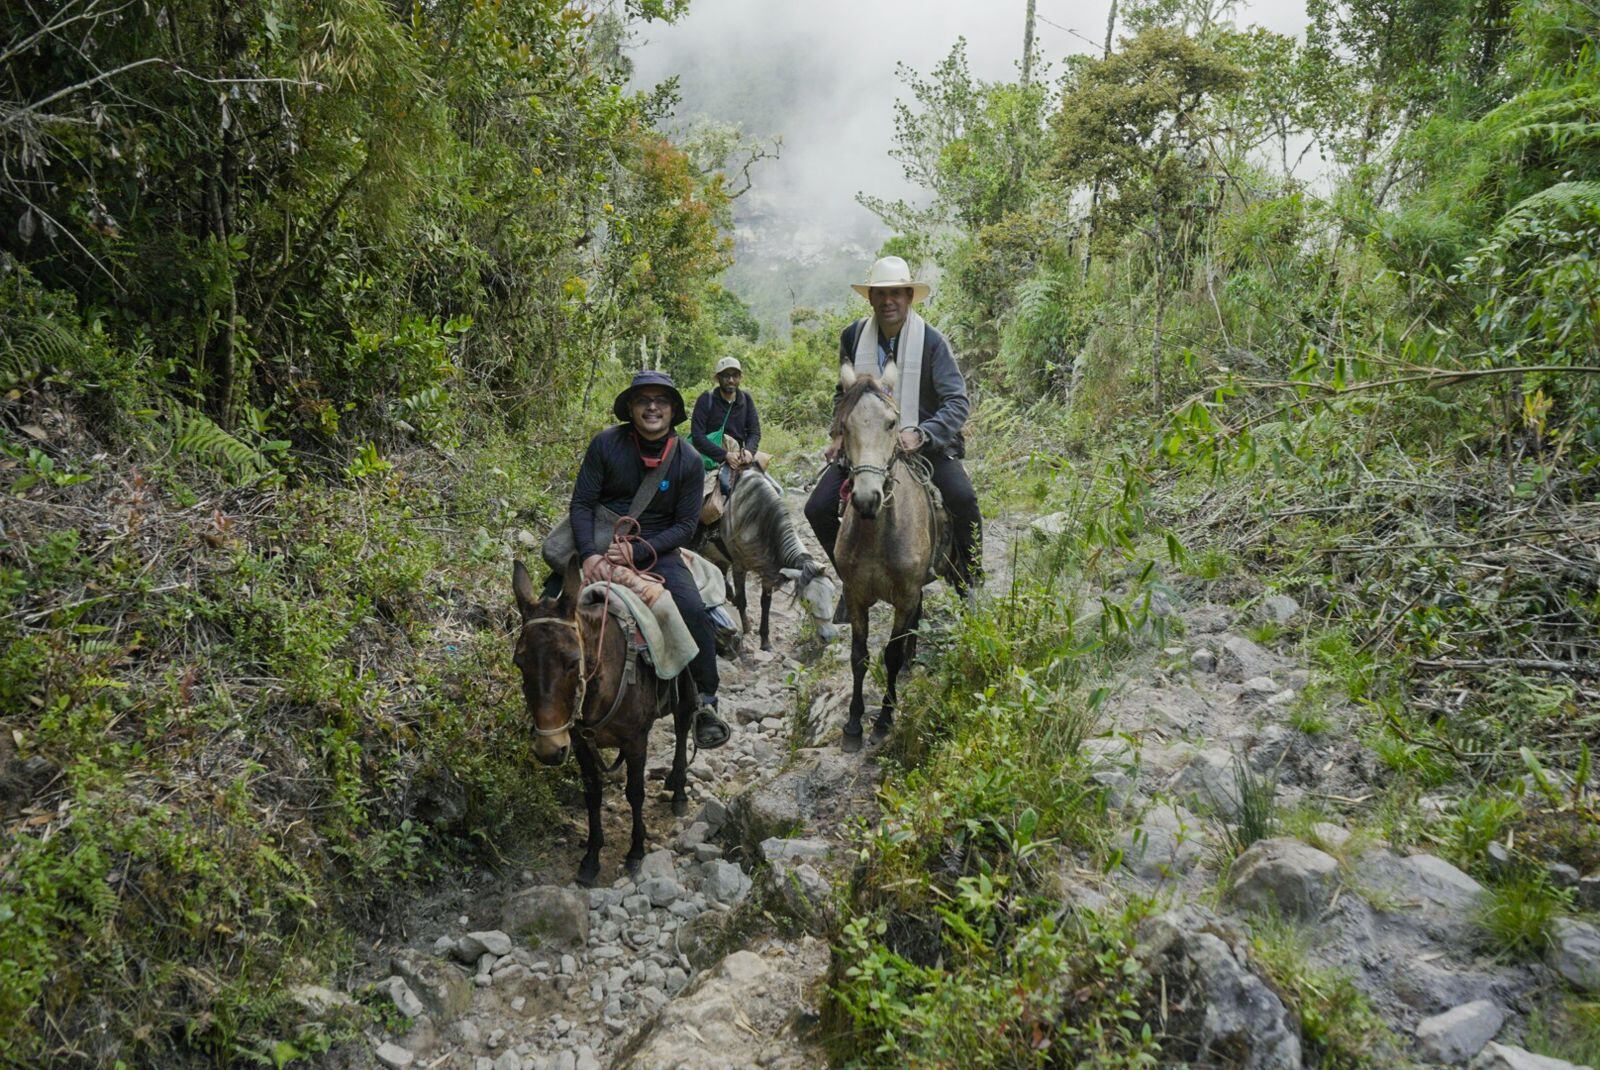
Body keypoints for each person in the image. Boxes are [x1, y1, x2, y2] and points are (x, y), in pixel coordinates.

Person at [545, 370, 732, 749]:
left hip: (656, 550)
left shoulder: (689, 461)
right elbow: (581, 504)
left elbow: (684, 526)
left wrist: (640, 550)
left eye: (660, 401)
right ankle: (546, 701)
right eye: (643, 399)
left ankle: (704, 702)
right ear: (630, 408)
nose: (652, 407)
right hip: (598, 540)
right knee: (548, 613)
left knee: (692, 610)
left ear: (672, 410)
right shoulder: (605, 445)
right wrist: (591, 554)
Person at [803, 255, 982, 596]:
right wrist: (839, 432)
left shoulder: (931, 341)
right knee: (817, 508)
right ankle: (851, 579)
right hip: (867, 443)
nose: (889, 301)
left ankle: (968, 576)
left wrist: (923, 433)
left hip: (923, 445)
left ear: (909, 297)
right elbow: (843, 394)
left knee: (963, 498)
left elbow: (957, 401)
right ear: (870, 298)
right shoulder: (853, 336)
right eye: (881, 294)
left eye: (897, 293)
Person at [691, 355, 762, 473]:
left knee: (775, 490)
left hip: (740, 457)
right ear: (717, 378)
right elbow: (697, 436)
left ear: (740, 377)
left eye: (735, 375)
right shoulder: (706, 400)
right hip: (711, 457)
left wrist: (749, 451)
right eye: (726, 376)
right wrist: (725, 455)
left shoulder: (746, 399)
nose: (731, 380)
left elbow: (754, 432)